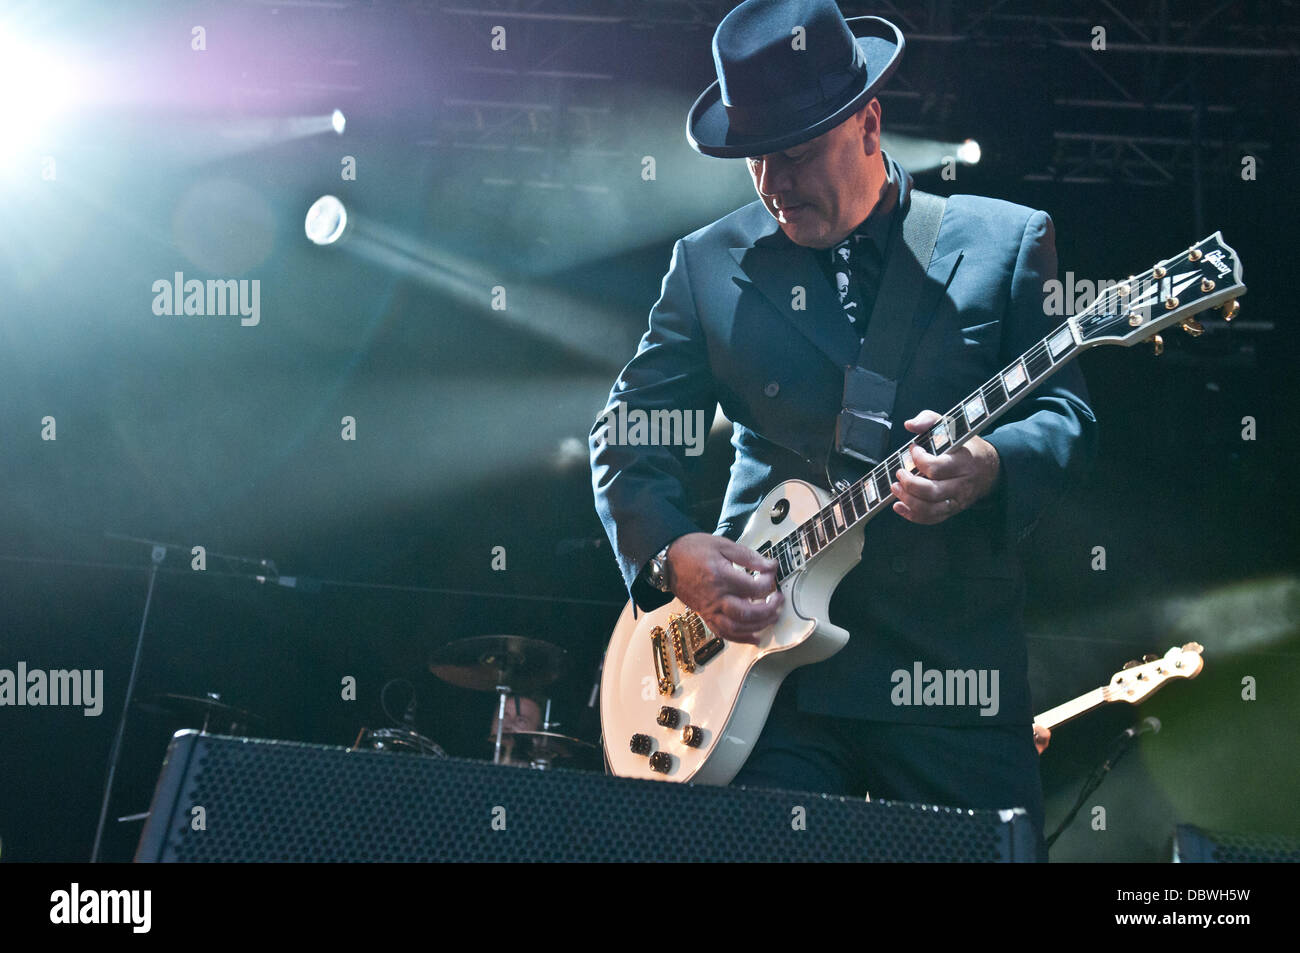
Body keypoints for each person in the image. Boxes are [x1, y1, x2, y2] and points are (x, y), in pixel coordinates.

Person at [590, 0, 1095, 859]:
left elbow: (1064, 412)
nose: (773, 184)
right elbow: (632, 432)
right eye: (755, 160)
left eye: (794, 154)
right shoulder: (707, 264)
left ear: (869, 122)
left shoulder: (1007, 241)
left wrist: (989, 461)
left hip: (945, 667)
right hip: (757, 672)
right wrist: (674, 554)